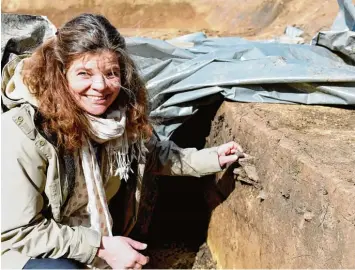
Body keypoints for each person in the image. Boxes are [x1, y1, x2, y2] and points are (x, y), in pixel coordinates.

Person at [1, 13, 244, 269]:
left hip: (79, 238)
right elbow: (15, 231)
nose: (101, 86)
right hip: (16, 249)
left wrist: (212, 158)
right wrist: (101, 246)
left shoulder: (116, 120)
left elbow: (152, 155)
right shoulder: (24, 133)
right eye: (84, 73)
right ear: (60, 74)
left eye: (111, 73)